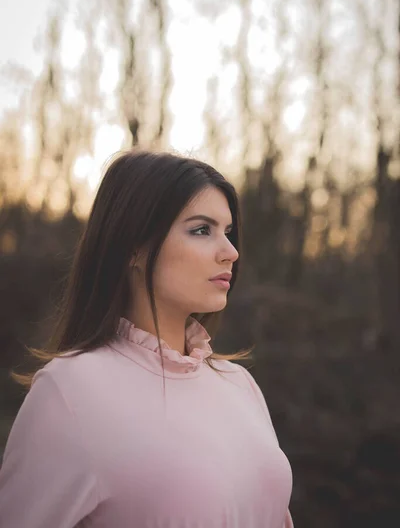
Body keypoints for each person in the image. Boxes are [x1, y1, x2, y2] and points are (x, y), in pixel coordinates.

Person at [0, 148, 294, 527]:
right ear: (134, 247)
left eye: (229, 232)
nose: (231, 252)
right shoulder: (70, 391)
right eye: (202, 230)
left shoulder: (240, 385)